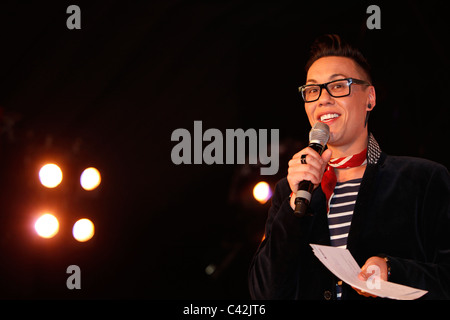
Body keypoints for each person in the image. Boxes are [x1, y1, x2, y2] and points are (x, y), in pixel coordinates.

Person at [248, 34, 450, 300]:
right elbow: (263, 294)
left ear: (370, 98)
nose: (323, 99)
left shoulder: (423, 179)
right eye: (312, 90)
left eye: (338, 85)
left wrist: (393, 270)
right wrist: (293, 207)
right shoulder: (291, 191)